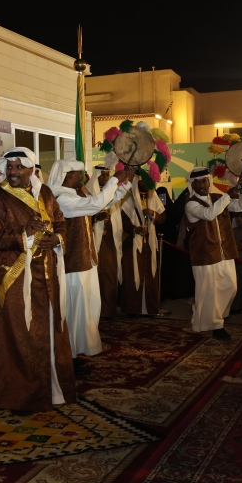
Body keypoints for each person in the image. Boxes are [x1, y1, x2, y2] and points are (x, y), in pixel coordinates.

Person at [0, 147, 75, 412]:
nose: (12, 172)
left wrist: (56, 238)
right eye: (9, 167)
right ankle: (20, 395)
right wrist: (25, 234)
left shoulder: (45, 193)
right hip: (14, 277)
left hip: (47, 275)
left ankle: (53, 390)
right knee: (19, 334)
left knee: (50, 331)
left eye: (19, 167)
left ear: (32, 169)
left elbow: (60, 222)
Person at [46, 160, 128, 374]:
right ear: (66, 175)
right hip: (72, 266)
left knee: (86, 310)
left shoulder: (74, 195)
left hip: (85, 262)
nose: (81, 178)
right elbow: (95, 204)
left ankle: (73, 353)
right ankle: (66, 358)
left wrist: (123, 184)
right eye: (77, 174)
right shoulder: (60, 199)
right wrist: (114, 181)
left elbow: (101, 203)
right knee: (72, 312)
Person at [183, 167, 242, 340]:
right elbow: (208, 214)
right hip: (205, 253)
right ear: (192, 185)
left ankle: (210, 315)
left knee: (230, 286)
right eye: (197, 182)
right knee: (209, 291)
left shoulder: (218, 198)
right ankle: (216, 325)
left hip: (224, 251)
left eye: (204, 180)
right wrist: (228, 195)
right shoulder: (191, 204)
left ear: (209, 182)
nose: (201, 185)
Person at [119, 176, 166, 316]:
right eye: (143, 181)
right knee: (132, 275)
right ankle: (133, 309)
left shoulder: (153, 197)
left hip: (149, 243)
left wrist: (153, 214)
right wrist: (135, 229)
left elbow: (163, 218)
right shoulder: (127, 200)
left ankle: (149, 309)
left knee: (150, 274)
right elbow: (122, 221)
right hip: (131, 244)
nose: (146, 184)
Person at [92, 167, 126, 320]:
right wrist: (96, 218)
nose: (105, 177)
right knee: (96, 279)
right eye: (102, 175)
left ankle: (108, 311)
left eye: (107, 174)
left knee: (110, 277)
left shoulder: (111, 193)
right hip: (95, 244)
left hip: (110, 243)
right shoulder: (90, 194)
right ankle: (96, 313)